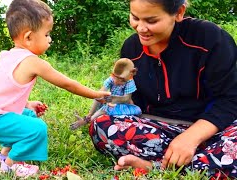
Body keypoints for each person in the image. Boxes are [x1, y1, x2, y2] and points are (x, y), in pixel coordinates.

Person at [89, 0, 237, 178]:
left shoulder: (210, 39)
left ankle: (156, 167)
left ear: (179, 12)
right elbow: (134, 102)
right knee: (103, 125)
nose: (141, 28)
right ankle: (201, 165)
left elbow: (231, 99)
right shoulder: (131, 49)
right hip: (162, 129)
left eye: (151, 21)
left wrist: (191, 137)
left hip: (216, 128)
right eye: (135, 18)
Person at [0, 0, 110, 178]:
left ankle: (4, 154)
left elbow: (2, 91)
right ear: (28, 37)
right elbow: (68, 84)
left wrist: (27, 104)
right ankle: (10, 165)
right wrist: (95, 94)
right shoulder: (33, 62)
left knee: (29, 116)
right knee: (37, 128)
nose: (50, 39)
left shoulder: (8, 55)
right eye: (47, 34)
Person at [70, 58, 142, 130]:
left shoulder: (129, 82)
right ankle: (89, 118)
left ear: (131, 73)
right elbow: (98, 95)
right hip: (111, 104)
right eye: (115, 76)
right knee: (100, 100)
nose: (116, 81)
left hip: (123, 106)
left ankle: (85, 121)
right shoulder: (111, 79)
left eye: (121, 79)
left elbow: (126, 99)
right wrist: (90, 113)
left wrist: (113, 98)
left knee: (105, 109)